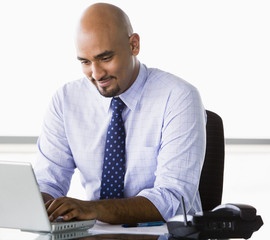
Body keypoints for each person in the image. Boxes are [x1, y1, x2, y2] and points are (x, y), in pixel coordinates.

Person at [33, 3, 206, 224]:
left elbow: (172, 198)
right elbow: (48, 182)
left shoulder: (179, 97)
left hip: (163, 234)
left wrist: (92, 209)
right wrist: (37, 202)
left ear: (134, 45)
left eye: (105, 58)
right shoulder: (66, 100)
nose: (96, 74)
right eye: (85, 62)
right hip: (96, 234)